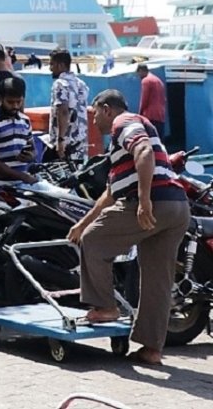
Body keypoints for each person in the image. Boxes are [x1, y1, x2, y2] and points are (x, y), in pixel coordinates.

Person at [67, 90, 190, 366]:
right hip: (177, 206)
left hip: (154, 202)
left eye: (95, 111)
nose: (93, 118)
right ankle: (152, 349)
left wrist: (145, 200)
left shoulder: (124, 122)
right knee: (158, 279)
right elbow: (110, 193)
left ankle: (105, 307)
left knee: (94, 240)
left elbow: (143, 150)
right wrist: (81, 222)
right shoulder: (117, 147)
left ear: (107, 109)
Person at [0, 76, 37, 193]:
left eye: (18, 102)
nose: (15, 106)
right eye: (10, 102)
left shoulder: (25, 121)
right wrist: (22, 176)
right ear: (0, 99)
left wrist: (30, 156)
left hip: (22, 189)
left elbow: (33, 150)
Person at [49, 47, 90, 161]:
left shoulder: (60, 84)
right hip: (80, 145)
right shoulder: (81, 84)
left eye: (52, 64)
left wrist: (60, 140)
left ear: (61, 65)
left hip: (65, 146)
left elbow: (63, 111)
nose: (50, 68)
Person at [136, 64, 167, 140]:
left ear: (141, 71)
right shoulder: (158, 81)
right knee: (159, 141)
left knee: (150, 140)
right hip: (160, 116)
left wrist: (139, 115)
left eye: (138, 73)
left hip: (150, 116)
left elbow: (144, 99)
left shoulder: (146, 81)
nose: (139, 76)